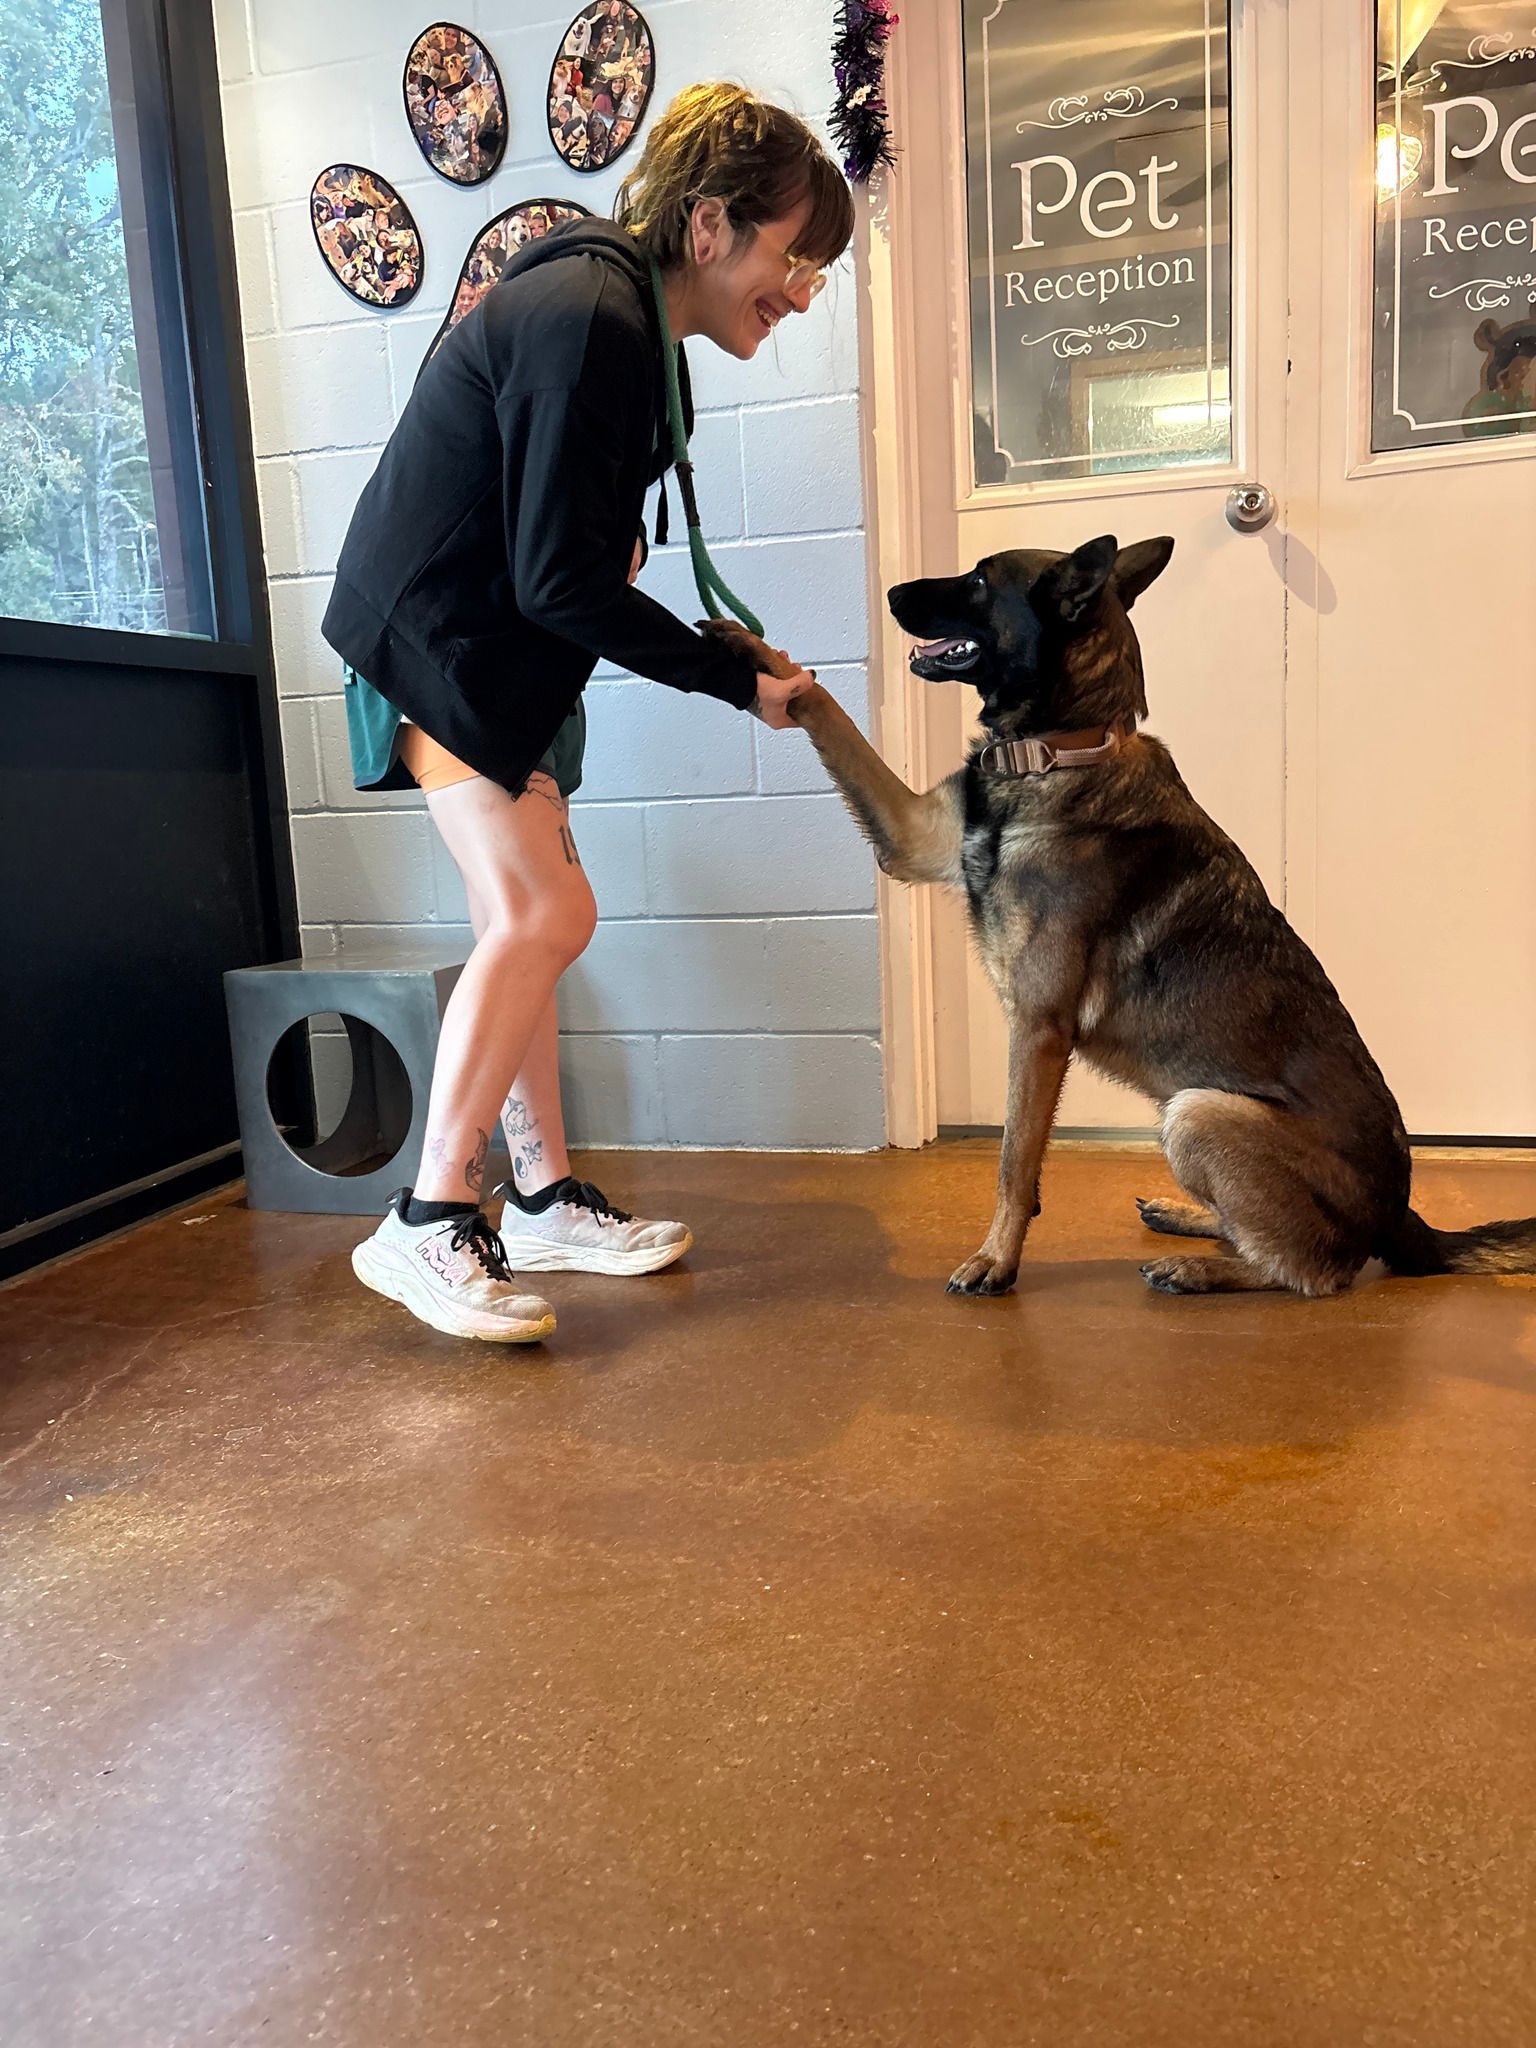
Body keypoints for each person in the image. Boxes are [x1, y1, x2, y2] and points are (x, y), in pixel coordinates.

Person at [322, 83, 854, 1344]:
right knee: (545, 911)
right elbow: (556, 576)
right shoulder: (591, 312)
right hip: (441, 642)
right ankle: (424, 1218)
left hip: (506, 651)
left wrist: (719, 645)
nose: (801, 292)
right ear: (714, 226)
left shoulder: (633, 329)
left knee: (528, 927)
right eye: (796, 259)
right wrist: (732, 680)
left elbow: (569, 559)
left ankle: (544, 1195)